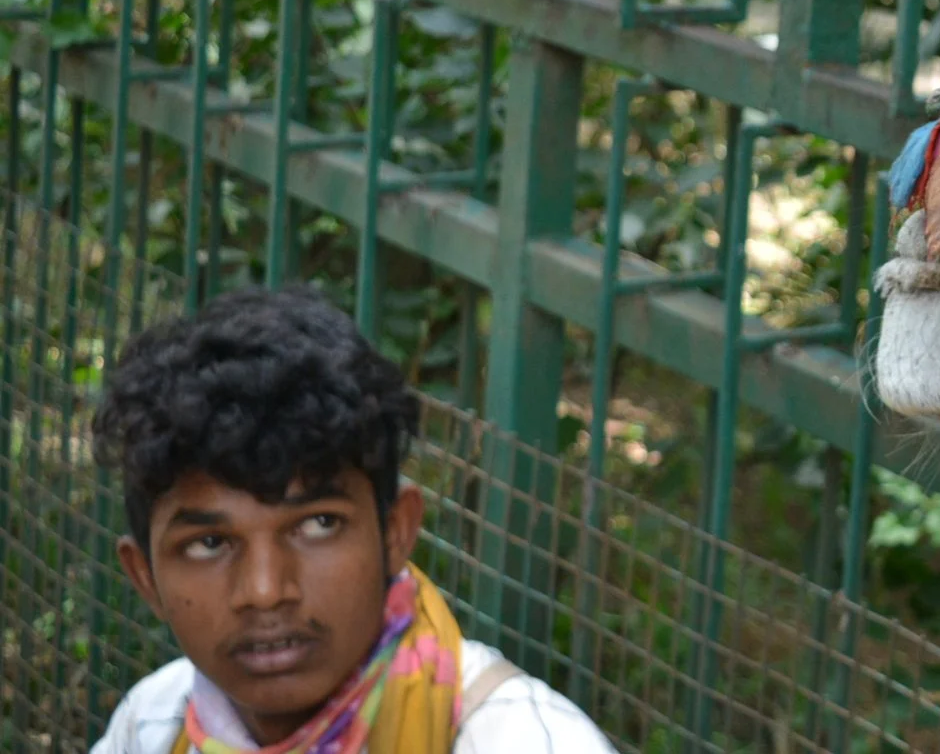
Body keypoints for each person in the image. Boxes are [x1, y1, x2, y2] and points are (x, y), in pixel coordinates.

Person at [88, 287, 614, 754]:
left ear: (396, 533)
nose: (266, 590)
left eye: (319, 524)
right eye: (208, 542)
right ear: (145, 578)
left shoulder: (521, 741)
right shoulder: (153, 724)